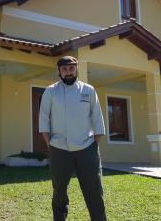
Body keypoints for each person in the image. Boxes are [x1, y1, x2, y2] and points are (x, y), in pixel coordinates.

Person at [39, 56, 106, 221]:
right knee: (59, 191)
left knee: (94, 191)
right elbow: (43, 119)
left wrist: (93, 145)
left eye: (71, 68)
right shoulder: (50, 91)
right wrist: (51, 144)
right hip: (59, 149)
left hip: (87, 149)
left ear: (76, 69)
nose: (68, 72)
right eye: (64, 69)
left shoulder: (88, 90)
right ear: (59, 72)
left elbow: (97, 118)